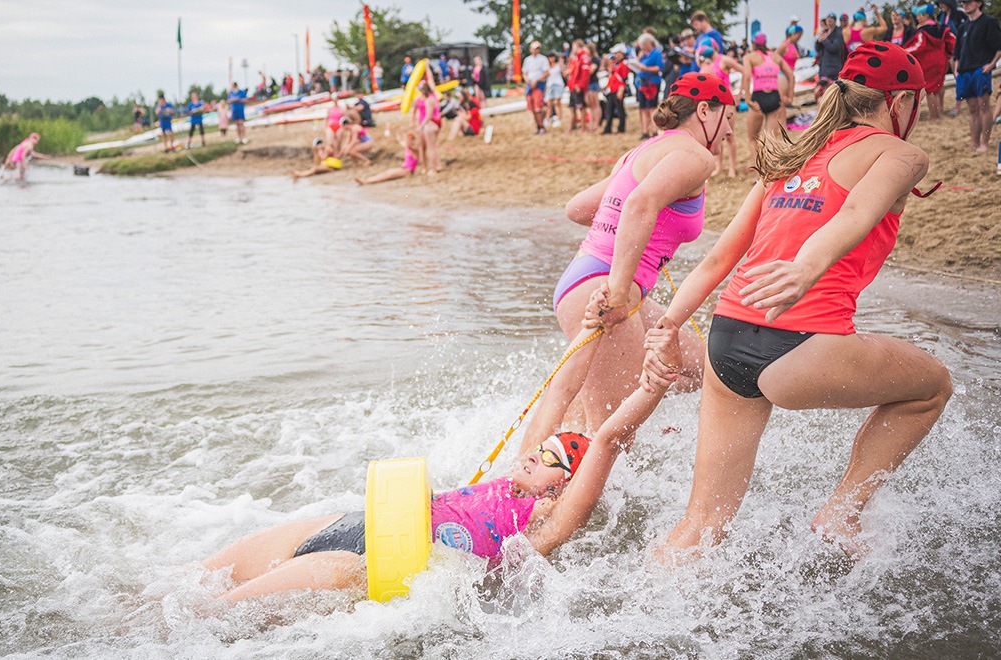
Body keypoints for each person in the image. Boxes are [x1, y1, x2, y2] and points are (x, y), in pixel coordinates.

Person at [629, 42, 952, 562]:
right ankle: (842, 516)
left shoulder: (791, 154)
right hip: (802, 345)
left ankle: (635, 612)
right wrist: (806, 267)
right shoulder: (901, 153)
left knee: (703, 524)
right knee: (932, 386)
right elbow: (858, 215)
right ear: (902, 101)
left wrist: (667, 324)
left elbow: (718, 260)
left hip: (726, 340)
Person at [203, 324, 680, 602]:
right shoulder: (514, 471)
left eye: (551, 458)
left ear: (562, 489)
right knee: (193, 580)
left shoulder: (545, 528)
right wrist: (593, 328)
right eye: (542, 447)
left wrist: (651, 387)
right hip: (356, 523)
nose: (536, 452)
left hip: (362, 565)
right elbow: (560, 391)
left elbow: (609, 439)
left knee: (214, 612)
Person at [553, 72, 735, 431]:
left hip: (582, 281)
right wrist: (618, 293)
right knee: (612, 439)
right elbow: (639, 203)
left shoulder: (643, 151)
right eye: (728, 118)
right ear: (704, 111)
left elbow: (577, 208)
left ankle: (600, 400)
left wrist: (644, 230)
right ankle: (550, 477)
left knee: (699, 367)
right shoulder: (696, 157)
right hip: (606, 290)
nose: (731, 131)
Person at [952, 0, 1001, 152]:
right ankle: (974, 142)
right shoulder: (963, 26)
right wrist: (956, 69)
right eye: (963, 2)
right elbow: (957, 52)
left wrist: (991, 64)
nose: (964, 4)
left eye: (968, 2)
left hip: (980, 70)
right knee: (972, 109)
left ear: (978, 3)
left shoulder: (989, 22)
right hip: (965, 71)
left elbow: (999, 47)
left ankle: (984, 143)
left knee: (984, 106)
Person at [741, 33, 794, 163]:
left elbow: (747, 77)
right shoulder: (775, 57)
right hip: (774, 97)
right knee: (770, 138)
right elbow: (791, 75)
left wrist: (747, 99)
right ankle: (771, 166)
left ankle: (760, 171)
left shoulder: (750, 57)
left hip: (758, 98)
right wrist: (790, 96)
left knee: (753, 138)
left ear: (753, 43)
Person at [697, 47, 743, 177]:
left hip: (727, 101)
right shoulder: (706, 66)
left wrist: (740, 92)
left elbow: (743, 70)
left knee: (729, 136)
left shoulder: (723, 60)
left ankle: (732, 168)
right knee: (716, 135)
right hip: (714, 103)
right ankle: (719, 166)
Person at [906, 4, 957, 121]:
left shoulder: (923, 31)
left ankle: (934, 116)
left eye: (919, 15)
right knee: (938, 87)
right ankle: (939, 111)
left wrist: (902, 51)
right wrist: (950, 55)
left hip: (928, 63)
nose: (917, 17)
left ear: (925, 16)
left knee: (930, 91)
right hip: (942, 62)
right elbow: (954, 42)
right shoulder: (943, 28)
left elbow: (917, 46)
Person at [355, 132, 420, 185]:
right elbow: (402, 142)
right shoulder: (408, 148)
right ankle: (366, 180)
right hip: (402, 168)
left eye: (411, 139)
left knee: (387, 175)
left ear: (414, 141)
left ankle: (366, 181)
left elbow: (408, 145)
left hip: (407, 171)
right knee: (385, 172)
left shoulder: (415, 150)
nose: (409, 141)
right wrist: (399, 135)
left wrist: (405, 137)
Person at [634, 33, 664, 140]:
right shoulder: (644, 54)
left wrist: (646, 69)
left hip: (652, 82)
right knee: (643, 107)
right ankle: (645, 130)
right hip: (642, 83)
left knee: (652, 107)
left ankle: (655, 130)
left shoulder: (656, 53)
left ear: (648, 43)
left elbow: (659, 68)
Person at [815, 13, 846, 101]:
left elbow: (835, 48)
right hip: (824, 66)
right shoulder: (825, 32)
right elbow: (818, 49)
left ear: (835, 21)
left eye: (831, 19)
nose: (829, 21)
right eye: (828, 20)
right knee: (820, 91)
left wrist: (825, 40)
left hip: (833, 68)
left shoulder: (839, 33)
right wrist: (818, 41)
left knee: (831, 92)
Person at [522, 41, 551, 134]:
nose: (536, 50)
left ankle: (541, 126)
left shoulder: (543, 59)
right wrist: (527, 80)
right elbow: (524, 73)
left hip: (539, 85)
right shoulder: (527, 60)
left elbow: (546, 72)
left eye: (537, 48)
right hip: (530, 85)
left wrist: (537, 80)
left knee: (538, 106)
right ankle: (538, 126)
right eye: (534, 48)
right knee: (532, 107)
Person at [415, 82, 442, 174]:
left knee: (430, 147)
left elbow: (428, 115)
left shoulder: (429, 100)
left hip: (428, 124)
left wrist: (421, 126)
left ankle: (433, 168)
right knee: (430, 146)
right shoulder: (427, 99)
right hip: (429, 123)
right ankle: (435, 166)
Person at [603, 45, 631, 134]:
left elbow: (623, 78)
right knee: (609, 110)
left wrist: (621, 90)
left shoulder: (624, 64)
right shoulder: (616, 64)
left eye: (616, 53)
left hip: (618, 89)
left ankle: (621, 128)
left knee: (620, 110)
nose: (615, 55)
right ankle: (608, 128)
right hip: (612, 89)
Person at [567, 40, 593, 131]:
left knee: (581, 107)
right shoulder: (576, 58)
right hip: (573, 86)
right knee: (572, 107)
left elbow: (585, 73)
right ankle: (572, 126)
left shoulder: (584, 57)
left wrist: (580, 85)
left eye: (573, 46)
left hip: (578, 86)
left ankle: (583, 127)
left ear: (578, 46)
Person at [777, 26, 804, 104]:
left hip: (790, 74)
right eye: (799, 35)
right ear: (793, 34)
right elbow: (775, 57)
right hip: (783, 74)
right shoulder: (784, 45)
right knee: (782, 99)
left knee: (789, 100)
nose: (799, 38)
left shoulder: (793, 45)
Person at [545, 52, 566, 129]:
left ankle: (559, 118)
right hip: (550, 85)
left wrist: (561, 61)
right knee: (549, 103)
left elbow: (563, 71)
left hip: (558, 85)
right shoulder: (547, 67)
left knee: (558, 102)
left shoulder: (558, 65)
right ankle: (547, 118)